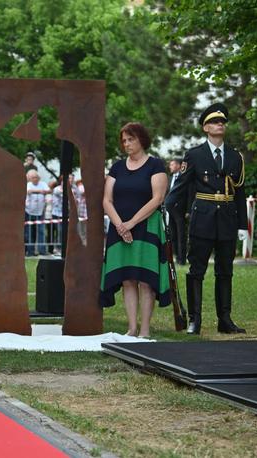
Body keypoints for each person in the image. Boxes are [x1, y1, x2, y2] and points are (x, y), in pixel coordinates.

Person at [165, 103, 248, 334]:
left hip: (228, 221)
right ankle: (195, 320)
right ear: (205, 128)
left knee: (225, 271)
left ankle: (225, 319)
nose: (219, 125)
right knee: (196, 271)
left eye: (222, 122)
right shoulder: (194, 155)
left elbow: (239, 192)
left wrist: (243, 224)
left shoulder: (235, 157)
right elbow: (179, 189)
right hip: (203, 220)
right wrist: (167, 211)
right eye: (214, 122)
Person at [101, 122, 169, 338]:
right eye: (124, 140)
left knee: (145, 279)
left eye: (131, 139)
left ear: (141, 139)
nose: (127, 144)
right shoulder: (117, 167)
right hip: (119, 229)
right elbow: (107, 199)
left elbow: (157, 198)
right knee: (127, 279)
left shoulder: (155, 165)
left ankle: (145, 330)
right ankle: (131, 328)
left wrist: (130, 224)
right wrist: (120, 225)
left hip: (145, 228)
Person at [166, 158, 187, 265]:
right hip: (169, 210)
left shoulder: (184, 178)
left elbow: (188, 193)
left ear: (179, 166)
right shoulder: (169, 179)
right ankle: (176, 257)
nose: (170, 166)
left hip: (180, 210)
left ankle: (182, 259)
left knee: (181, 235)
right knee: (173, 235)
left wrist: (188, 210)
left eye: (172, 164)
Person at [24, 169, 50, 256]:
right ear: (30, 178)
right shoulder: (28, 185)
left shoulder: (43, 184)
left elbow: (48, 191)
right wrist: (40, 192)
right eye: (33, 177)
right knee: (29, 233)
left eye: (36, 177)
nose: (35, 179)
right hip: (29, 212)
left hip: (40, 212)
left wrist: (38, 192)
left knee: (41, 232)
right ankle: (30, 251)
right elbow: (28, 191)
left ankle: (42, 250)